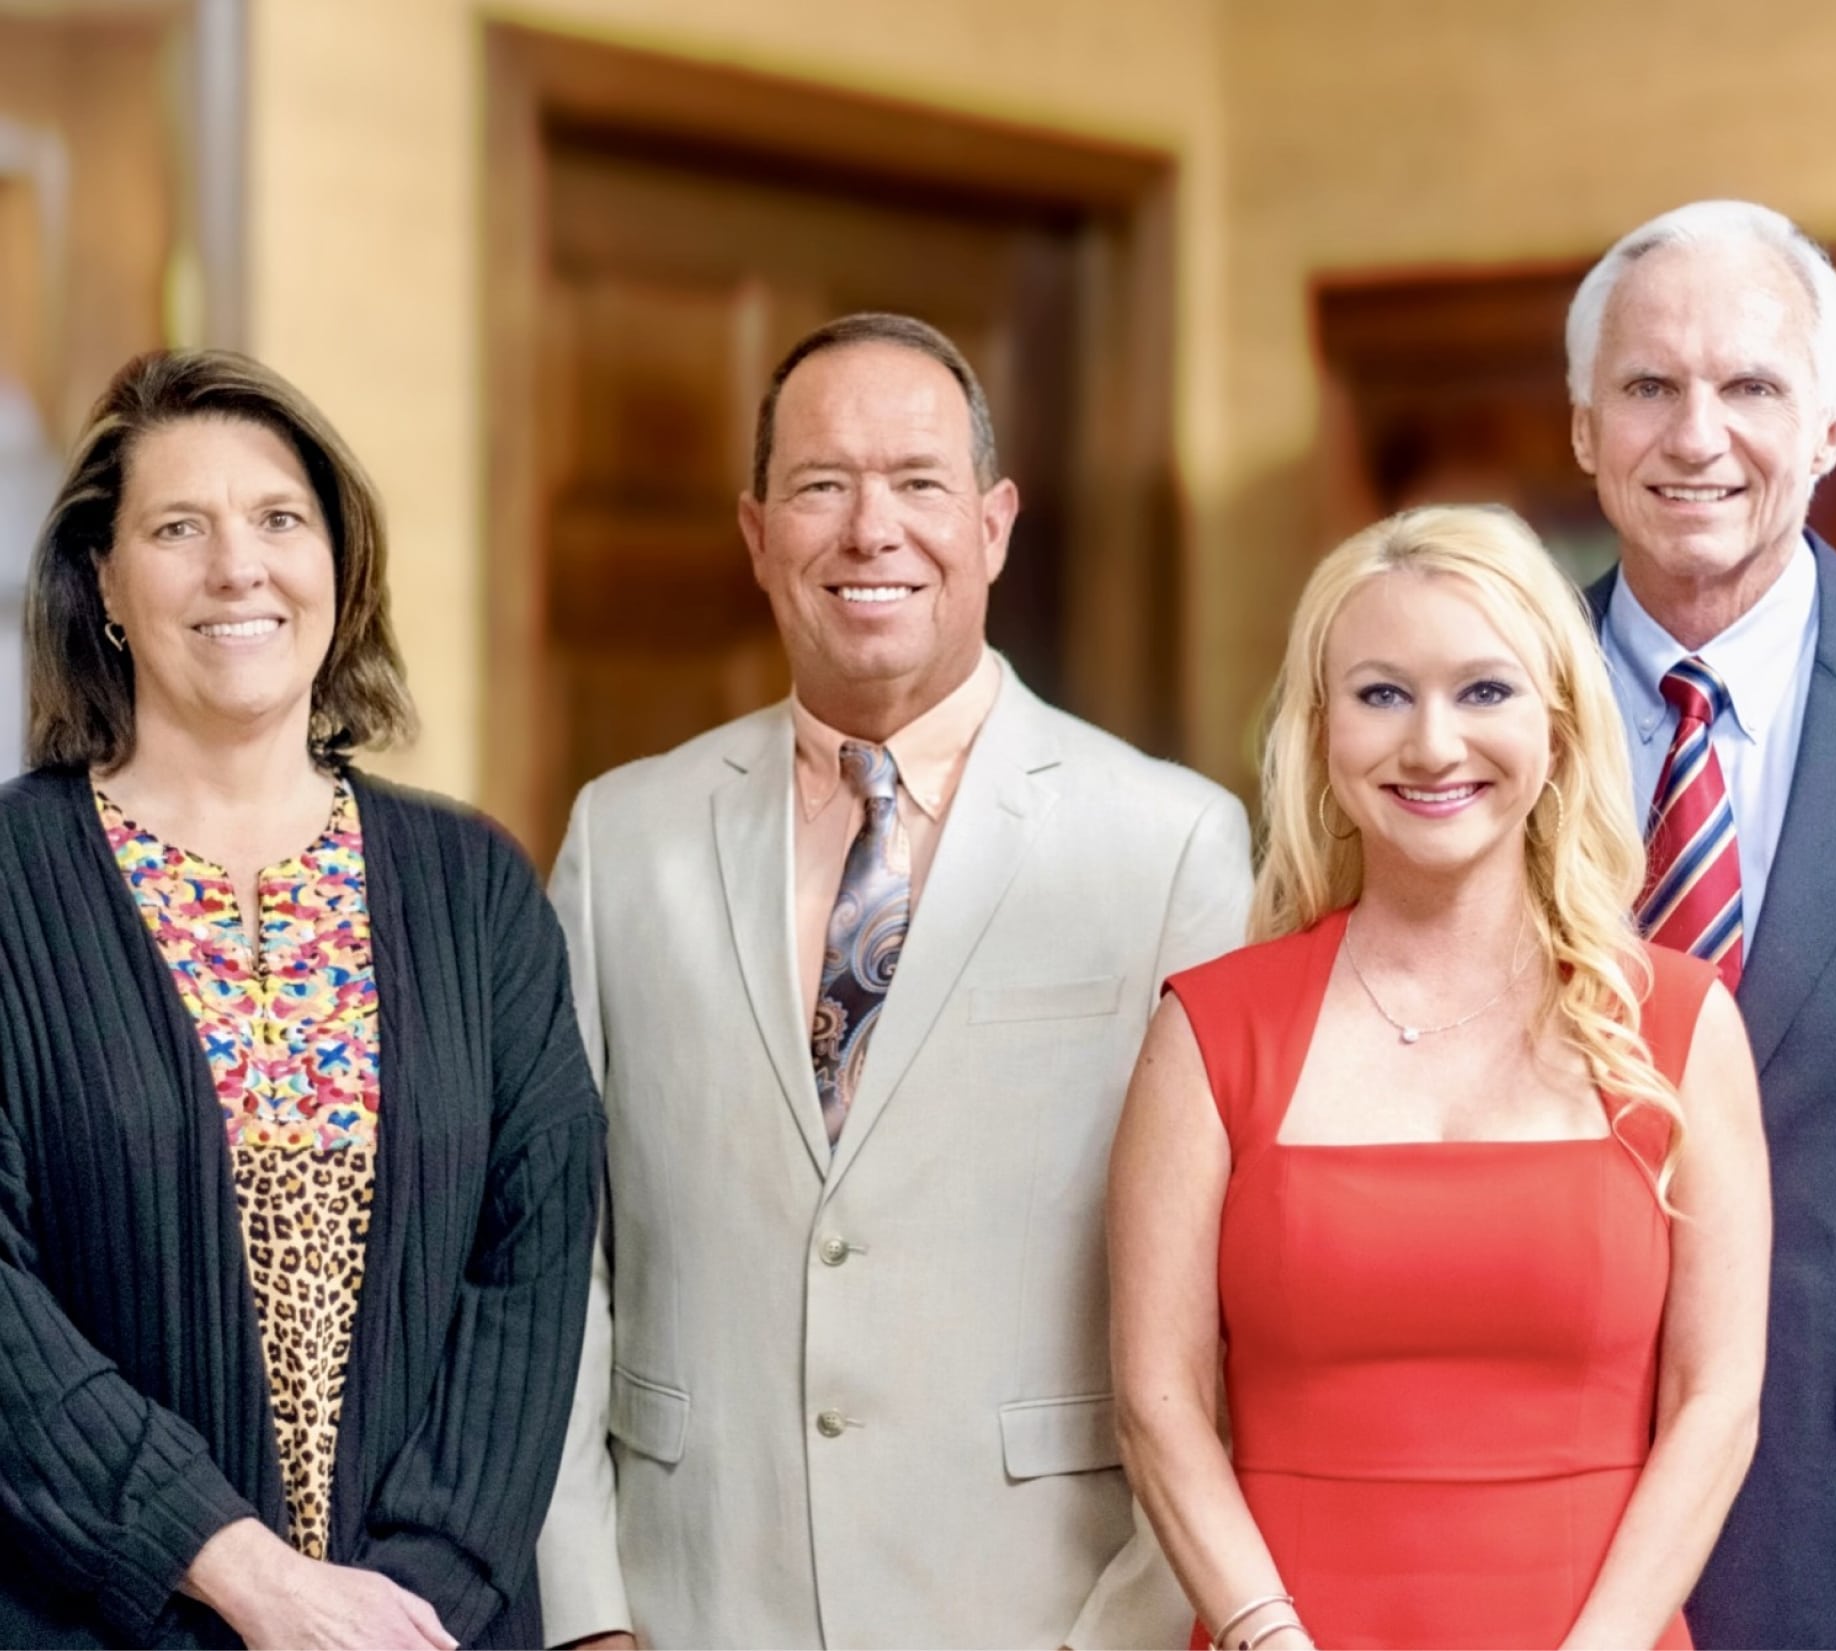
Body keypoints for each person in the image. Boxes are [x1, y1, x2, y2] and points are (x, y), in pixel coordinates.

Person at [535, 312, 1253, 1649]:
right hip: (692, 1601)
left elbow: (1223, 1296)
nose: (872, 530)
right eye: (822, 484)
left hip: (1041, 1606)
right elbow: (557, 1253)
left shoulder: (1171, 846)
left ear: (993, 523)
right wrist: (588, 1611)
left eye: (919, 483)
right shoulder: (621, 836)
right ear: (758, 534)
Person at [0, 350, 604, 1649]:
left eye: (280, 519)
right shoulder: (13, 883)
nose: (239, 566)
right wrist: (244, 1575)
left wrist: (403, 1600)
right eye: (178, 527)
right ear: (103, 581)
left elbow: (534, 1264)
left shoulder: (479, 887)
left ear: (339, 563)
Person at [1110, 503, 1770, 1650]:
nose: (1430, 745)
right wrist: (1270, 1637)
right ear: (1319, 732)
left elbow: (1716, 1404)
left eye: (1483, 691)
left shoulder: (1678, 1025)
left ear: (1559, 725)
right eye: (1379, 694)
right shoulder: (1208, 1032)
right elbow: (1157, 1405)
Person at [1566, 198, 1836, 1651]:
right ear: (1583, 428)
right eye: (1648, 386)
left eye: (1750, 385)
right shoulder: (1474, 711)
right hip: (1544, 1523)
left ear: (1832, 421)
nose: (1697, 435)